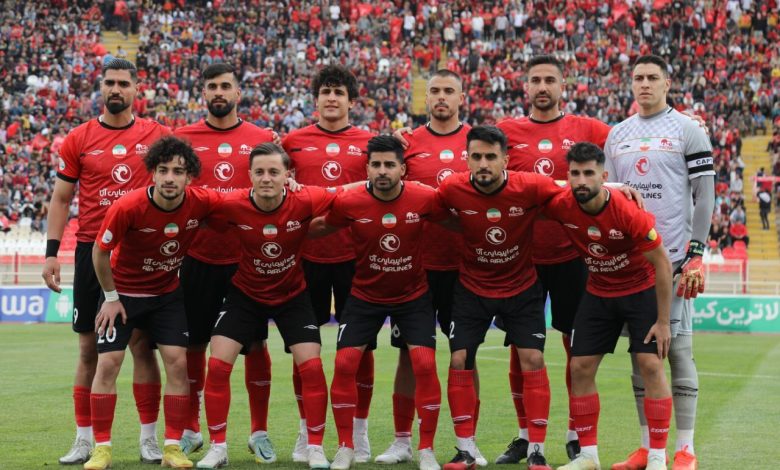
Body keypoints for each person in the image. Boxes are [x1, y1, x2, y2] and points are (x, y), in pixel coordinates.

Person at [42, 58, 169, 466]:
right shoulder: (78, 138)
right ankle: (84, 439)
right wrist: (51, 253)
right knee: (87, 350)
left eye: (123, 83)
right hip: (90, 250)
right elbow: (62, 199)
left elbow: (187, 168)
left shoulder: (157, 134)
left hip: (140, 251)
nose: (116, 89)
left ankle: (149, 439)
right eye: (110, 82)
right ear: (101, 87)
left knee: (142, 347)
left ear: (136, 89)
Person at [195, 143, 342, 470]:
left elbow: (346, 193)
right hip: (245, 294)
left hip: (292, 295)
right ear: (249, 175)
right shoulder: (231, 203)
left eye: (274, 172)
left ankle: (315, 448)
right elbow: (193, 203)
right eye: (259, 172)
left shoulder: (306, 198)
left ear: (287, 175)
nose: (266, 178)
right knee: (217, 365)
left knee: (312, 367)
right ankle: (218, 448)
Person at [494, 55, 611, 464]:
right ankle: (526, 436)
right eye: (535, 80)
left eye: (550, 80)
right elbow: (467, 153)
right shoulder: (506, 132)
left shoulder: (589, 129)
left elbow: (633, 138)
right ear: (525, 86)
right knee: (520, 348)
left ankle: (576, 435)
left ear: (564, 86)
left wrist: (690, 123)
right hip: (521, 257)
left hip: (572, 254)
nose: (542, 87)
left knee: (577, 347)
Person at [84, 135, 222, 470]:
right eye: (163, 170)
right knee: (109, 363)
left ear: (189, 177)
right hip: (122, 294)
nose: (170, 178)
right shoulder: (128, 207)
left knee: (177, 362)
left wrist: (287, 185)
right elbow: (99, 252)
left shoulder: (201, 201)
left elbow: (242, 200)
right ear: (153, 173)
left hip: (165, 295)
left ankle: (172, 447)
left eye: (178, 171)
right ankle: (101, 449)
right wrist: (111, 298)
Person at [605, 55, 715, 470]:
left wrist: (697, 252)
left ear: (667, 84)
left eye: (653, 77)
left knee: (680, 351)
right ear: (631, 84)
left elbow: (705, 194)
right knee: (641, 355)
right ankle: (646, 448)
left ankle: (686, 449)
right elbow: (611, 195)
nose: (645, 84)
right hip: (631, 263)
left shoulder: (687, 129)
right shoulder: (617, 134)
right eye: (638, 78)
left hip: (675, 259)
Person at [315, 136, 448, 470]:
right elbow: (320, 226)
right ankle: (346, 447)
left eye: (390, 164)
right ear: (367, 168)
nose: (383, 171)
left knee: (424, 364)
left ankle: (426, 449)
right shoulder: (349, 201)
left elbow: (459, 221)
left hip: (413, 296)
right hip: (365, 296)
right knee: (345, 363)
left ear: (403, 169)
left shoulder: (425, 197)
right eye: (376, 164)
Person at [437, 126, 565, 470]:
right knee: (459, 359)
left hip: (521, 287)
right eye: (476, 156)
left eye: (491, 157)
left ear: (505, 160)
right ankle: (465, 450)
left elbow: (574, 190)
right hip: (471, 288)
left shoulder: (530, 185)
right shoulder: (452, 188)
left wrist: (619, 189)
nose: (483, 163)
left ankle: (536, 451)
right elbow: (421, 203)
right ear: (466, 159)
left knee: (533, 359)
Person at [548, 142, 674, 470]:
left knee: (650, 366)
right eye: (575, 174)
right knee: (579, 367)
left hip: (640, 290)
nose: (581, 181)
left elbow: (663, 263)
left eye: (589, 173)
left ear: (604, 177)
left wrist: (663, 322)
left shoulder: (627, 211)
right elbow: (532, 188)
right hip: (599, 291)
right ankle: (588, 456)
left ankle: (657, 458)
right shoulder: (561, 204)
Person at [173, 62, 276, 460]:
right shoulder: (183, 138)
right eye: (212, 86)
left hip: (246, 260)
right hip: (197, 257)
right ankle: (192, 428)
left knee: (256, 344)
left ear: (238, 93)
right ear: (204, 93)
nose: (219, 92)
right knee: (194, 344)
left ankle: (259, 431)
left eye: (225, 86)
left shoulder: (262, 138)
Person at [379, 69, 475, 466]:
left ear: (461, 97)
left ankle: (467, 442)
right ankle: (402, 440)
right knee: (407, 354)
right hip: (415, 268)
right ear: (426, 97)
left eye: (449, 91)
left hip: (466, 267)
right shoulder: (408, 143)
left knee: (464, 355)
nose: (441, 97)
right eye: (434, 90)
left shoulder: (477, 142)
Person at [282, 64, 375, 463]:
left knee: (361, 351)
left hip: (357, 258)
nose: (332, 98)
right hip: (305, 258)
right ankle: (306, 433)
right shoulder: (293, 142)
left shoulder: (369, 143)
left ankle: (359, 432)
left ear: (352, 101)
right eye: (326, 92)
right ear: (316, 99)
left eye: (339, 92)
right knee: (303, 350)